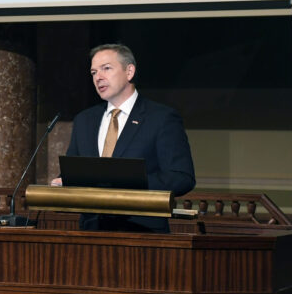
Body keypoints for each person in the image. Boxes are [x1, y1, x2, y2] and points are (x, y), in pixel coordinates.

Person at [56, 43, 195, 232]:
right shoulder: (84, 120)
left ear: (129, 72)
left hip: (141, 232)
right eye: (94, 72)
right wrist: (64, 181)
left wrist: (126, 181)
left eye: (106, 68)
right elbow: (75, 170)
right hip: (91, 232)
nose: (99, 77)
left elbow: (181, 177)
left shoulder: (160, 118)